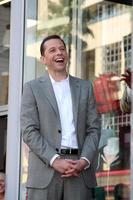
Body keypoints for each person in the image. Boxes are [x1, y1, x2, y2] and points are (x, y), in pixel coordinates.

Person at [21, 35, 101, 200]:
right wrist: (54, 160)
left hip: (79, 169)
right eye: (53, 50)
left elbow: (94, 128)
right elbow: (29, 131)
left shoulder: (85, 87)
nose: (59, 52)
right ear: (43, 59)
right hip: (46, 169)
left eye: (62, 49)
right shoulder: (32, 88)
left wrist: (84, 160)